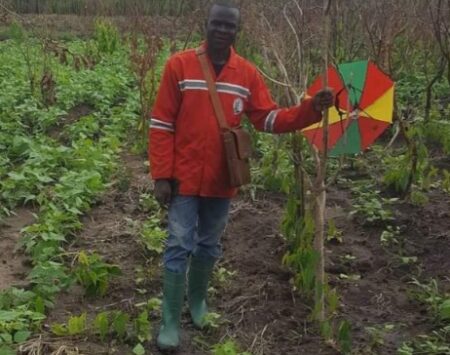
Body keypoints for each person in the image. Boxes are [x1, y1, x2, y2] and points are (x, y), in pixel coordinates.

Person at [148, 0, 334, 350]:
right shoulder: (179, 66)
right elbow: (161, 124)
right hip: (183, 179)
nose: (221, 30)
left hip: (222, 179)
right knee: (177, 244)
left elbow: (268, 118)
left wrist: (311, 108)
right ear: (206, 25)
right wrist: (161, 175)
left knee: (208, 244)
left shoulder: (247, 74)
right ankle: (170, 322)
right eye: (216, 24)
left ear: (237, 31)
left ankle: (198, 304)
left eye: (228, 26)